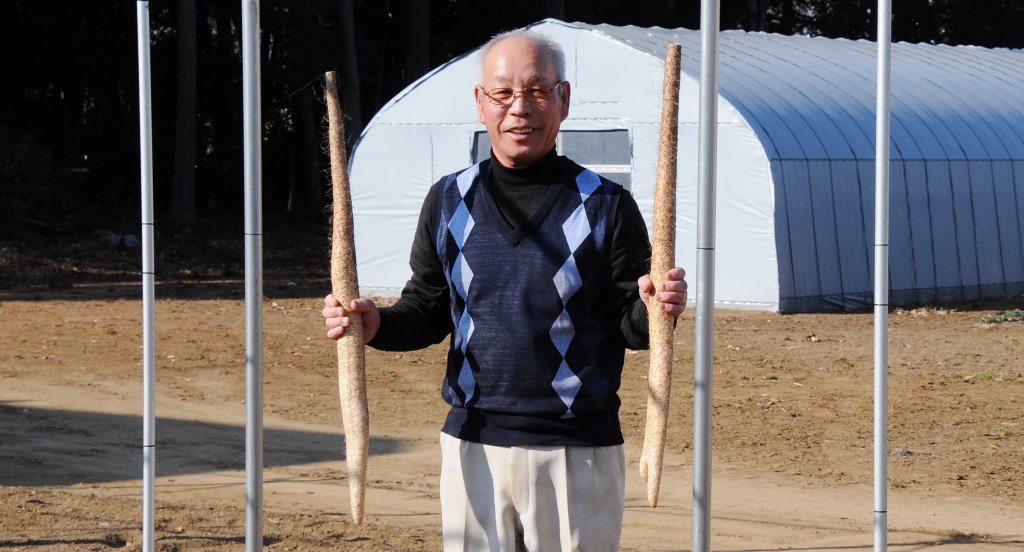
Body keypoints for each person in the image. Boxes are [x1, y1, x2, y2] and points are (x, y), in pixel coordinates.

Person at [323, 29, 688, 552]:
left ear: (563, 101)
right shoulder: (449, 200)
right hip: (472, 443)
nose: (521, 108)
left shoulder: (606, 205)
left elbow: (630, 325)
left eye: (538, 91)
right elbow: (427, 308)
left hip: (574, 451)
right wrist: (375, 324)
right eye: (504, 93)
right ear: (480, 103)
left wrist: (658, 308)